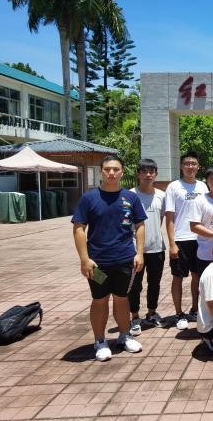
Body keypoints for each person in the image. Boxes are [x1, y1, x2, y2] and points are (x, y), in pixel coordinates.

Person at [72, 154, 146, 362]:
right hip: (98, 263)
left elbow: (140, 225)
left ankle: (125, 335)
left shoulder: (130, 198)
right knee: (100, 300)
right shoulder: (89, 198)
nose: (111, 173)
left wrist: (139, 253)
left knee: (122, 298)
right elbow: (79, 229)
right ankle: (100, 341)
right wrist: (84, 259)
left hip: (125, 260)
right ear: (101, 172)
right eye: (107, 169)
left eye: (116, 169)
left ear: (122, 172)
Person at [164, 151, 209, 330]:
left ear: (198, 167)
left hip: (200, 240)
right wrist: (172, 243)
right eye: (187, 163)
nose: (190, 167)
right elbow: (169, 217)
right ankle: (178, 313)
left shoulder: (203, 186)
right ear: (181, 166)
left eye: (193, 163)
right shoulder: (173, 187)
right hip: (181, 240)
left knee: (198, 276)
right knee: (178, 277)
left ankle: (195, 309)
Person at [128, 159, 166, 336]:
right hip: (135, 250)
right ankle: (135, 317)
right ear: (138, 174)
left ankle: (151, 312)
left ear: (156, 174)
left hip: (157, 247)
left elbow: (162, 218)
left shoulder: (161, 196)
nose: (148, 175)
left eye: (151, 171)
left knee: (154, 283)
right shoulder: (130, 195)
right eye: (144, 171)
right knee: (135, 285)